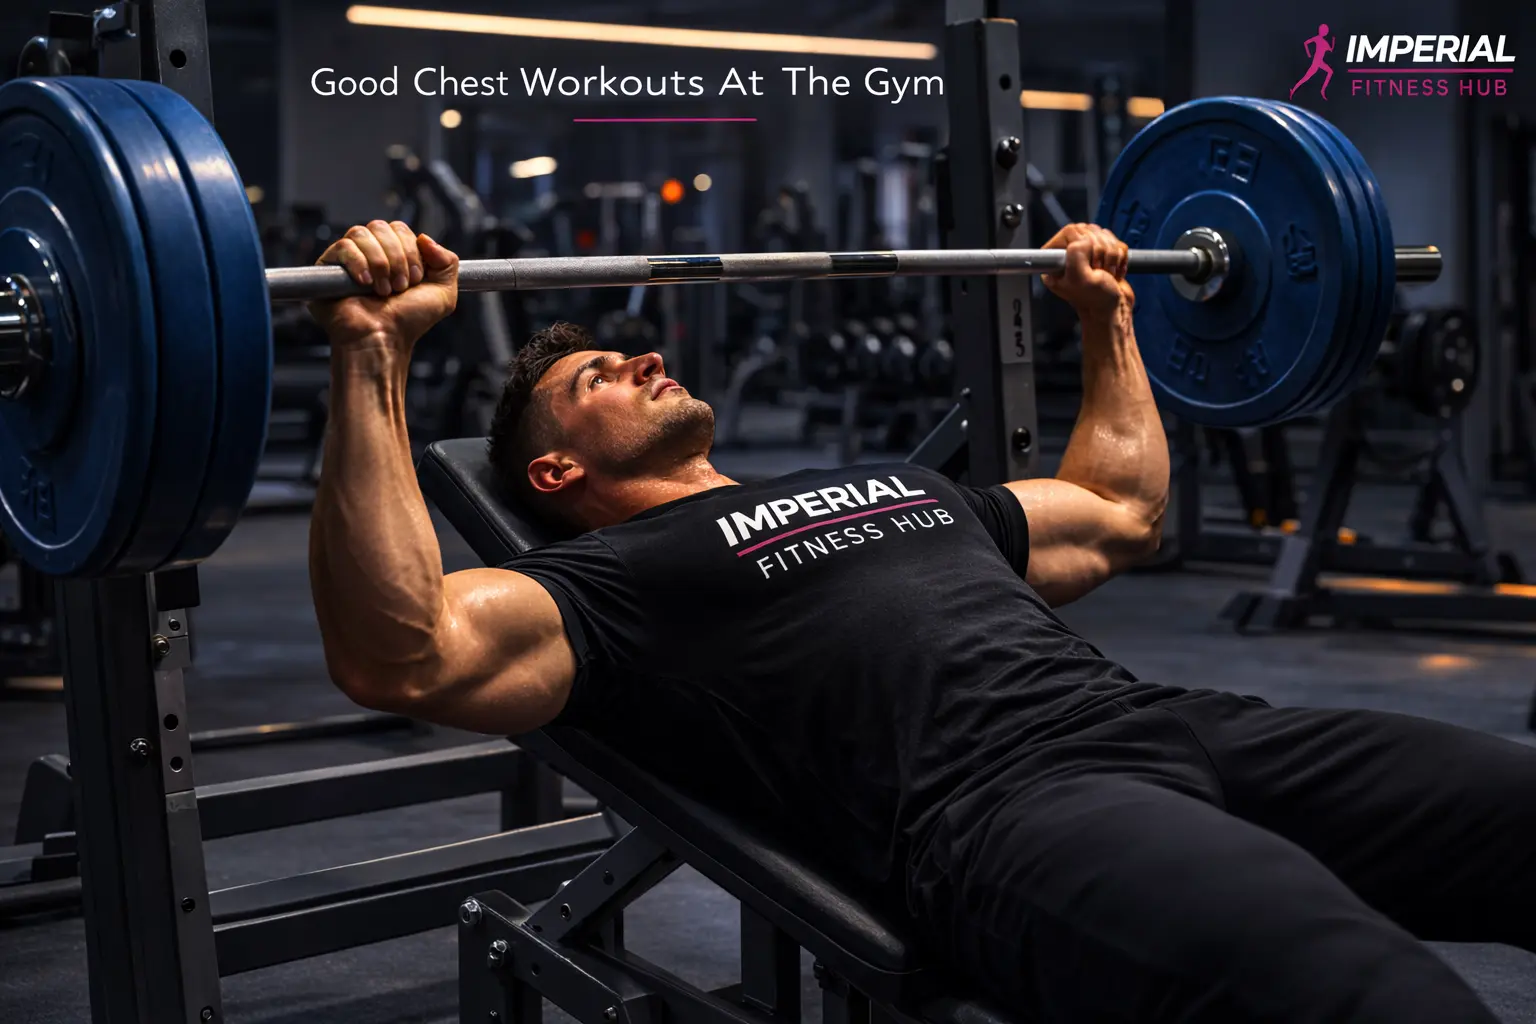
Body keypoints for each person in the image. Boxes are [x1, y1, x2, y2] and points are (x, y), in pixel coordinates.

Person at [307, 219, 1535, 1024]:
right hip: (1007, 814)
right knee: (1366, 993)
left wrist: (1105, 312)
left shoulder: (902, 484)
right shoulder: (612, 582)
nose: (636, 362)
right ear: (557, 479)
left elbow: (1118, 509)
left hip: (1181, 727)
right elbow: (399, 646)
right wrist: (373, 355)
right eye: (594, 381)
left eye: (626, 354)